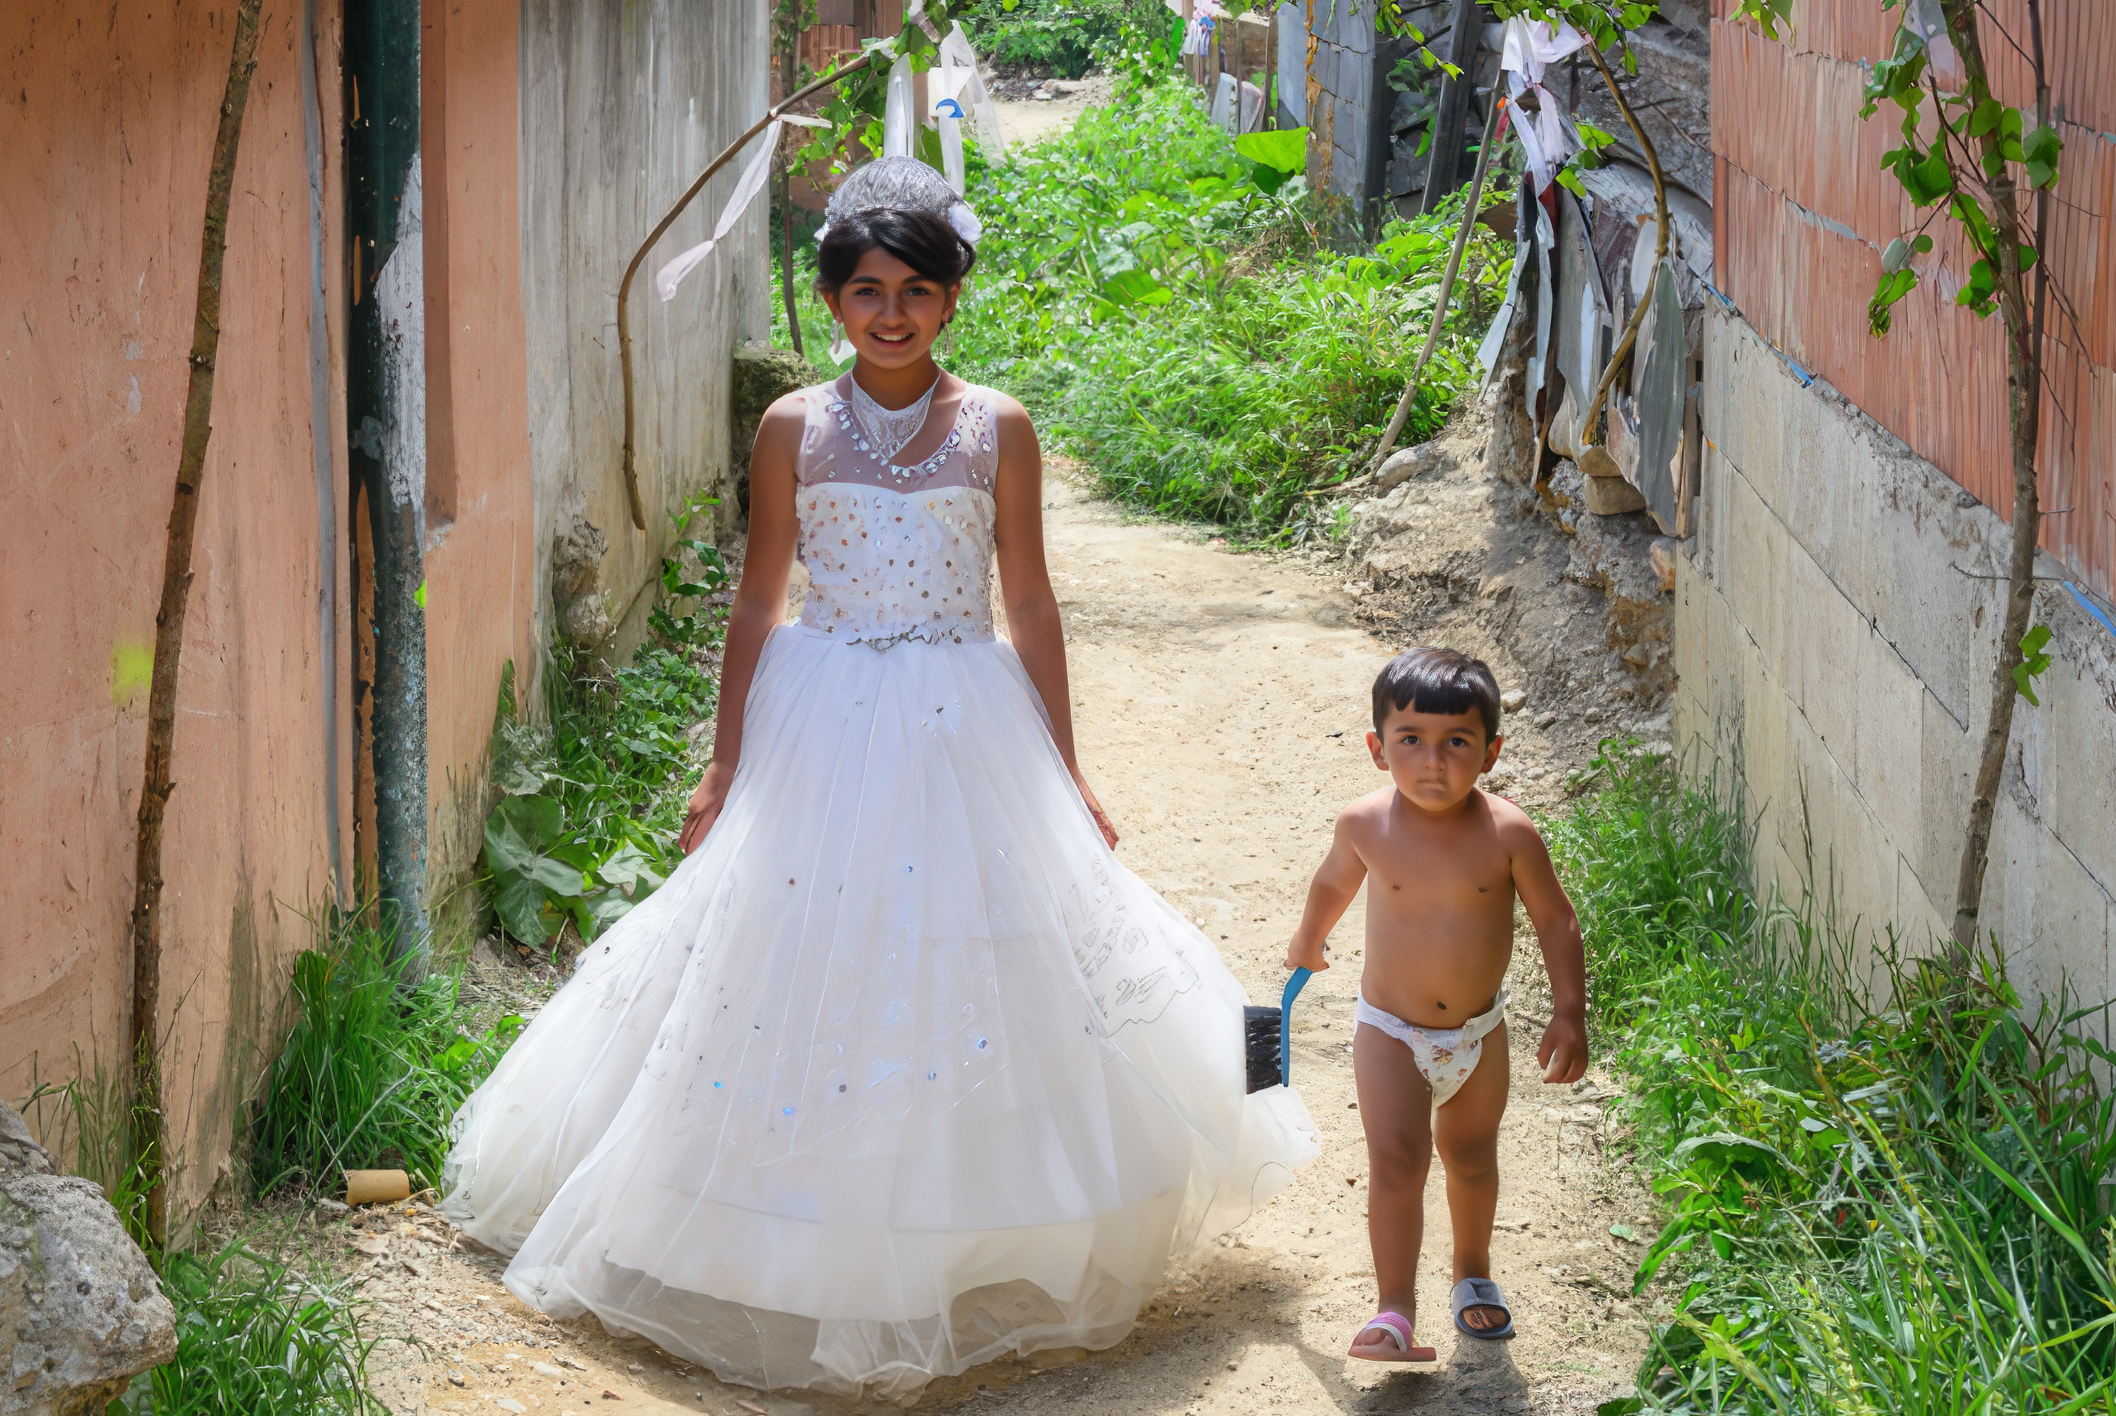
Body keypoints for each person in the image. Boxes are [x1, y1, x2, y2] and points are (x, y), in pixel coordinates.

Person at [439, 158, 1315, 1398]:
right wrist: (725, 760)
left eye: (914, 290)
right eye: (864, 291)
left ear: (952, 300)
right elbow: (759, 597)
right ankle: (771, 1232)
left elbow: (1028, 598)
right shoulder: (791, 425)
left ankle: (978, 1231)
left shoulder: (997, 425)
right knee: (790, 951)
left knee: (997, 951)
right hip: (824, 711)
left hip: (966, 713)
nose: (890, 313)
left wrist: (1069, 772)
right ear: (833, 302)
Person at [1282, 647, 1587, 1359]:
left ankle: (1472, 1274)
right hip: (1389, 1030)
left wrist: (1569, 1009)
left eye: (1457, 743)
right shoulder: (1365, 825)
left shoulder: (1509, 833)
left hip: (1479, 1034)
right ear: (1376, 747)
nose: (1433, 762)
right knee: (1396, 1160)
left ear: (1491, 752)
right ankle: (1394, 1309)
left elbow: (1556, 920)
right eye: (1410, 740)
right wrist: (1307, 938)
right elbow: (1332, 883)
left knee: (1472, 1157)